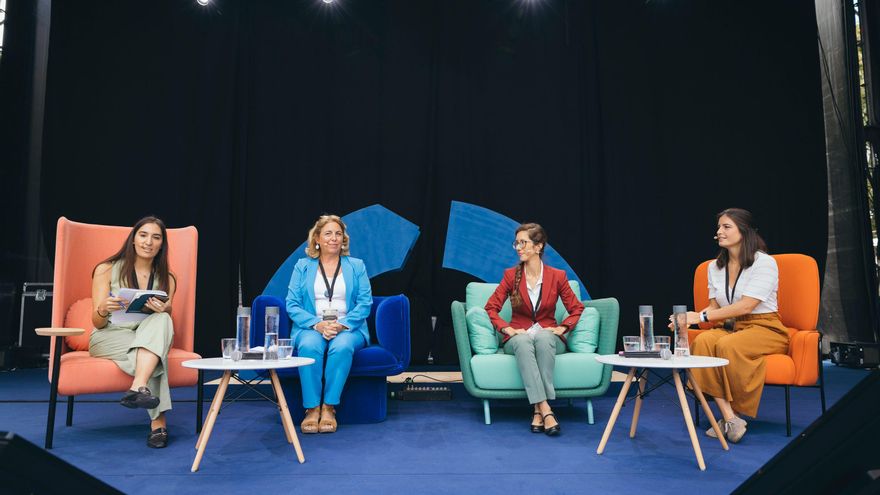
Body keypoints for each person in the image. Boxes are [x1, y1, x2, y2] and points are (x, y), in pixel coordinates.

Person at [682, 208, 788, 443]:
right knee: (703, 341)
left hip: (765, 327)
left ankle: (732, 417)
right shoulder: (714, 267)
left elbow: (746, 306)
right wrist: (689, 317)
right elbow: (713, 307)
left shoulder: (764, 263)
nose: (719, 232)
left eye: (726, 227)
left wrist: (700, 319)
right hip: (732, 325)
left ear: (745, 230)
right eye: (718, 227)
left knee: (728, 345)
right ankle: (730, 417)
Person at [484, 223, 584, 436]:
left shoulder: (557, 276)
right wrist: (507, 329)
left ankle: (538, 411)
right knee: (522, 340)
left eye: (524, 243)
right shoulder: (511, 276)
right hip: (518, 338)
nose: (518, 248)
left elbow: (576, 308)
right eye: (516, 243)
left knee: (544, 337)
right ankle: (545, 408)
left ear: (539, 246)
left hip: (547, 337)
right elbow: (491, 308)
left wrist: (564, 326)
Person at [89, 216, 176, 448]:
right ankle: (158, 424)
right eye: (143, 235)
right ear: (133, 239)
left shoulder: (167, 278)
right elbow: (97, 323)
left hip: (146, 335)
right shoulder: (106, 269)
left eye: (156, 237)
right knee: (153, 353)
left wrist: (166, 308)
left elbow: (165, 326)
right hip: (109, 335)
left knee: (163, 319)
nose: (149, 242)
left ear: (161, 245)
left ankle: (138, 387)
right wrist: (102, 308)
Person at [286, 214, 372, 434]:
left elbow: (364, 304)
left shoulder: (357, 265)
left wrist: (341, 324)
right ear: (316, 239)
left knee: (342, 346)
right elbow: (292, 304)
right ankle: (312, 409)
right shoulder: (303, 266)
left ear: (344, 239)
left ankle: (329, 407)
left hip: (349, 327)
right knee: (309, 346)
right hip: (311, 327)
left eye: (338, 233)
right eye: (328, 233)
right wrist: (317, 324)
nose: (334, 238)